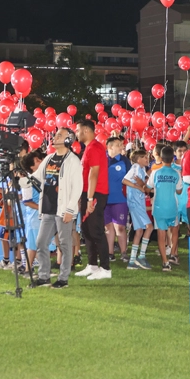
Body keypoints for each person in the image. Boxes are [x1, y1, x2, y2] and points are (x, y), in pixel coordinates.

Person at [30, 127, 83, 289]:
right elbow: (36, 177)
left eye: (59, 135)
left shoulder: (73, 160)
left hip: (63, 210)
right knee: (41, 242)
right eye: (55, 134)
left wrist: (70, 210)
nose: (55, 137)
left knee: (65, 245)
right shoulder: (49, 158)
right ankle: (44, 276)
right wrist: (21, 179)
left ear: (68, 140)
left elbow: (78, 187)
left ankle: (63, 278)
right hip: (47, 208)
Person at [74, 119, 111, 281]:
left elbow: (93, 174)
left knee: (96, 230)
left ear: (86, 131)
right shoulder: (89, 148)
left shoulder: (95, 148)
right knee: (86, 229)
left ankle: (105, 268)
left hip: (96, 193)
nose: (76, 133)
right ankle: (92, 265)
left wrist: (90, 198)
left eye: (78, 130)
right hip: (87, 193)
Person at [147, 146, 183, 272]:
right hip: (172, 207)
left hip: (158, 208)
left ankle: (165, 262)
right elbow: (179, 191)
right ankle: (173, 253)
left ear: (161, 158)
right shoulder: (177, 173)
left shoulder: (155, 173)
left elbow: (148, 187)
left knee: (161, 235)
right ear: (172, 158)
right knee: (175, 230)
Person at [124, 149, 154, 269]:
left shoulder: (141, 169)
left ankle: (132, 261)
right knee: (149, 227)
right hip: (135, 202)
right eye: (144, 157)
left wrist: (142, 185)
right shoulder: (136, 167)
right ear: (138, 160)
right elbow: (125, 180)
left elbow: (144, 183)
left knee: (139, 231)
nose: (147, 159)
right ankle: (141, 256)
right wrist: (139, 186)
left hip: (137, 202)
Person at [104, 135, 130, 262]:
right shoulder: (101, 159)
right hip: (103, 199)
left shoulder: (125, 160)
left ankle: (124, 252)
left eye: (121, 144)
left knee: (120, 227)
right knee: (107, 227)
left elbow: (130, 178)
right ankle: (110, 253)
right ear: (110, 147)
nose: (122, 146)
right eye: (118, 145)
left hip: (120, 199)